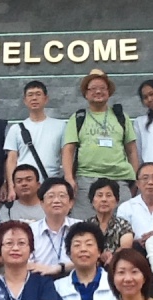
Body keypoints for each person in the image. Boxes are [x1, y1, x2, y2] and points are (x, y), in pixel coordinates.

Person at [62, 69, 139, 220]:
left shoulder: (121, 117)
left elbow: (131, 150)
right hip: (86, 179)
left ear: (109, 92)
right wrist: (69, 177)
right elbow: (68, 150)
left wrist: (136, 178)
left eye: (102, 88)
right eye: (93, 88)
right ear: (86, 93)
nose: (98, 91)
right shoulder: (78, 117)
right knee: (84, 225)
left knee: (123, 224)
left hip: (119, 179)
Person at [4, 81, 64, 199]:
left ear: (46, 99)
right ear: (25, 100)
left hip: (50, 185)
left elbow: (66, 156)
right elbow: (11, 160)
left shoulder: (60, 126)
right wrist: (11, 187)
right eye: (30, 95)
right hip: (23, 187)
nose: (34, 98)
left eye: (38, 94)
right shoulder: (16, 129)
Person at [28, 178, 79, 277]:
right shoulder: (31, 230)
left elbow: (88, 259)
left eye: (62, 196)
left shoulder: (80, 228)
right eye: (51, 196)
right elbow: (25, 262)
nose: (56, 200)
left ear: (71, 203)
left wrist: (60, 268)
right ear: (41, 203)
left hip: (73, 279)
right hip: (39, 279)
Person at [117, 162, 153, 252]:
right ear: (137, 183)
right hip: (135, 252)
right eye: (145, 178)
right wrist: (136, 242)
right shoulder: (126, 207)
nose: (150, 182)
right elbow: (120, 237)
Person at [86, 178, 133, 266]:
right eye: (99, 195)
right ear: (92, 201)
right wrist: (99, 256)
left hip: (116, 266)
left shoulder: (123, 225)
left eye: (108, 195)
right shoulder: (86, 226)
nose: (104, 199)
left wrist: (113, 257)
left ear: (116, 201)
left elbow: (125, 247)